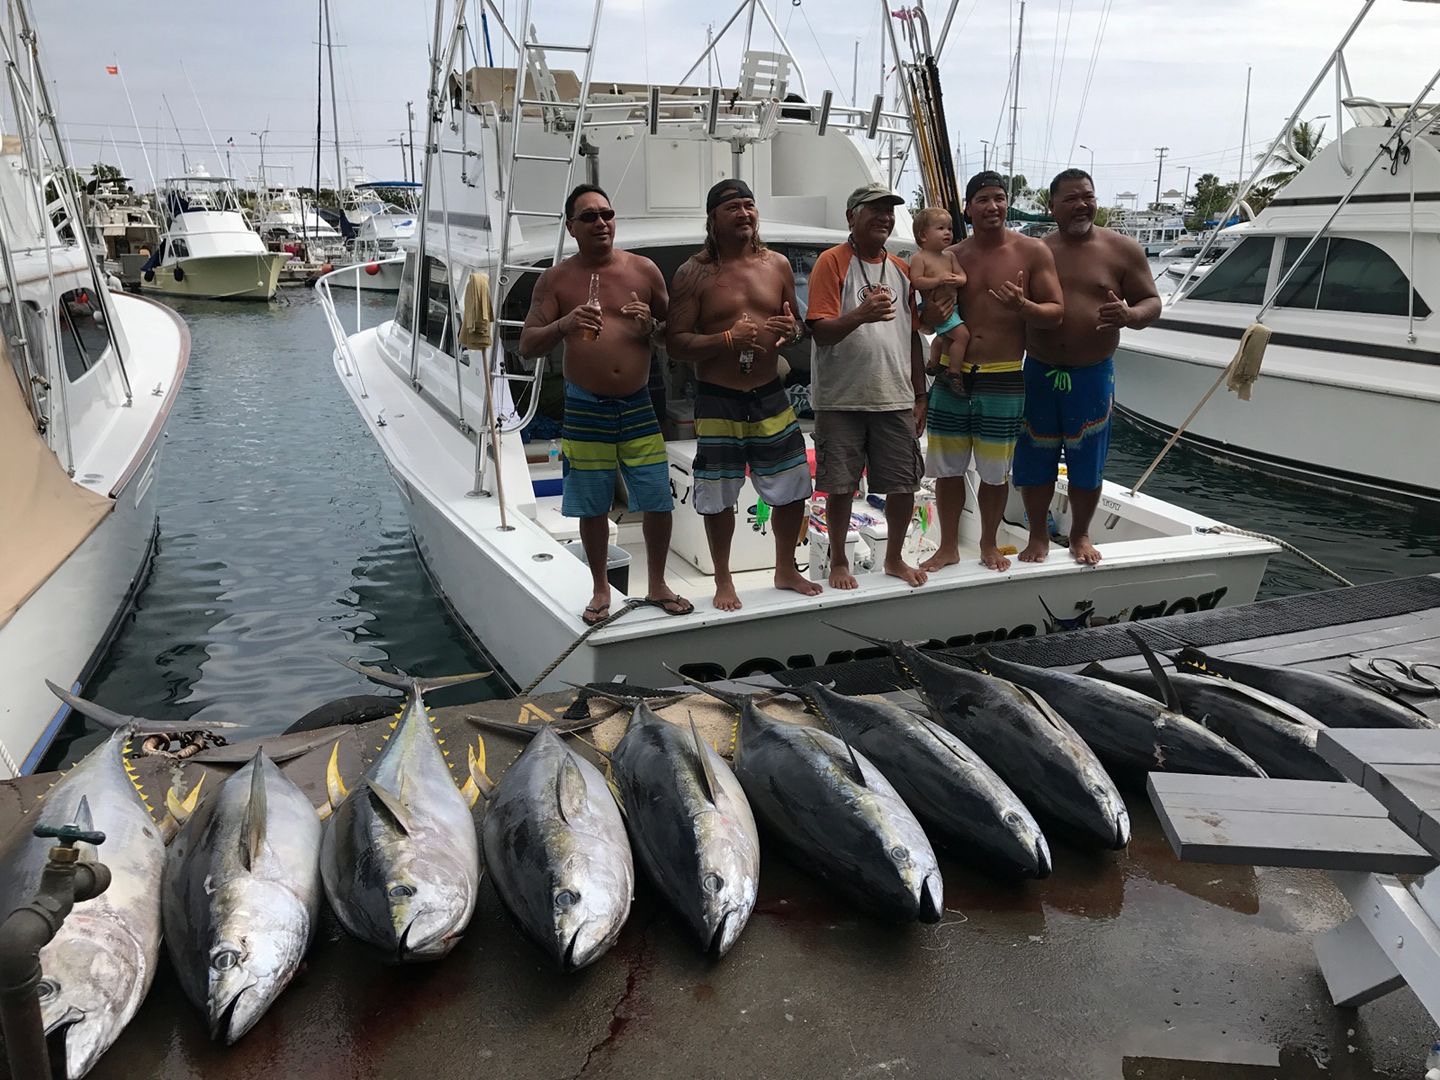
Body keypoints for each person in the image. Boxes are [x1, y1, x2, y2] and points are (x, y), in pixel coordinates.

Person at [518, 183, 693, 625]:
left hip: (637, 401)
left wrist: (652, 325)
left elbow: (675, 332)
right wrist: (564, 322)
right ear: (572, 227)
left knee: (656, 497)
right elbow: (527, 345)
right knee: (592, 503)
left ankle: (657, 584)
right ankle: (600, 589)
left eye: (607, 214)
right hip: (585, 405)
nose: (601, 223)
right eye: (590, 217)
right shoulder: (555, 280)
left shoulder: (644, 270)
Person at [666, 179, 818, 611]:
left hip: (770, 393)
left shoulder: (778, 265)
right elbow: (676, 343)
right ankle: (723, 578)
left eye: (749, 206)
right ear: (713, 219)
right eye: (732, 208)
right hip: (718, 396)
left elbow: (797, 325)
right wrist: (726, 339)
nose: (744, 214)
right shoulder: (693, 273)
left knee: (793, 485)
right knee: (718, 492)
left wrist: (791, 332)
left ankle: (785, 567)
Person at [1015, 168, 1161, 565]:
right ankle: (1038, 535)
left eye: (1088, 196)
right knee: (1035, 457)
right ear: (1052, 206)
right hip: (1040, 369)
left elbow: (1152, 302)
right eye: (1071, 198)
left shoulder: (1122, 248)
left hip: (1093, 372)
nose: (1082, 204)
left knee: (1087, 460)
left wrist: (1130, 315)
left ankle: (1080, 534)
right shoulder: (1036, 251)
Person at [921, 170, 1064, 573]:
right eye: (983, 199)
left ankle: (987, 543)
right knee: (947, 470)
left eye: (1000, 198)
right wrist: (929, 316)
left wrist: (1024, 308)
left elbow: (1055, 312)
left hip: (1003, 375)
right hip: (954, 373)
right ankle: (948, 545)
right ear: (967, 207)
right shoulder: (952, 257)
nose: (993, 206)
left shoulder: (1033, 251)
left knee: (994, 472)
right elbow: (929, 324)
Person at [805, 183, 928, 591]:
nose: (884, 217)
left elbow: (912, 335)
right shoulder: (831, 262)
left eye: (889, 211)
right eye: (874, 210)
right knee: (839, 485)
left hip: (894, 395)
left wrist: (921, 394)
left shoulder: (901, 268)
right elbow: (821, 332)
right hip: (841, 398)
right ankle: (840, 560)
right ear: (851, 217)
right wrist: (860, 314)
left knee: (903, 483)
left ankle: (893, 558)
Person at [907, 207, 970, 388]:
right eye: (941, 228)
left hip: (952, 307)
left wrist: (956, 280)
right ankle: (954, 372)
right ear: (923, 236)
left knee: (945, 338)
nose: (947, 233)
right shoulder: (920, 258)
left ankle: (934, 362)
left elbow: (963, 277)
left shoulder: (950, 256)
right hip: (937, 306)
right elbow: (917, 281)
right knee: (962, 336)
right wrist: (938, 280)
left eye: (949, 229)